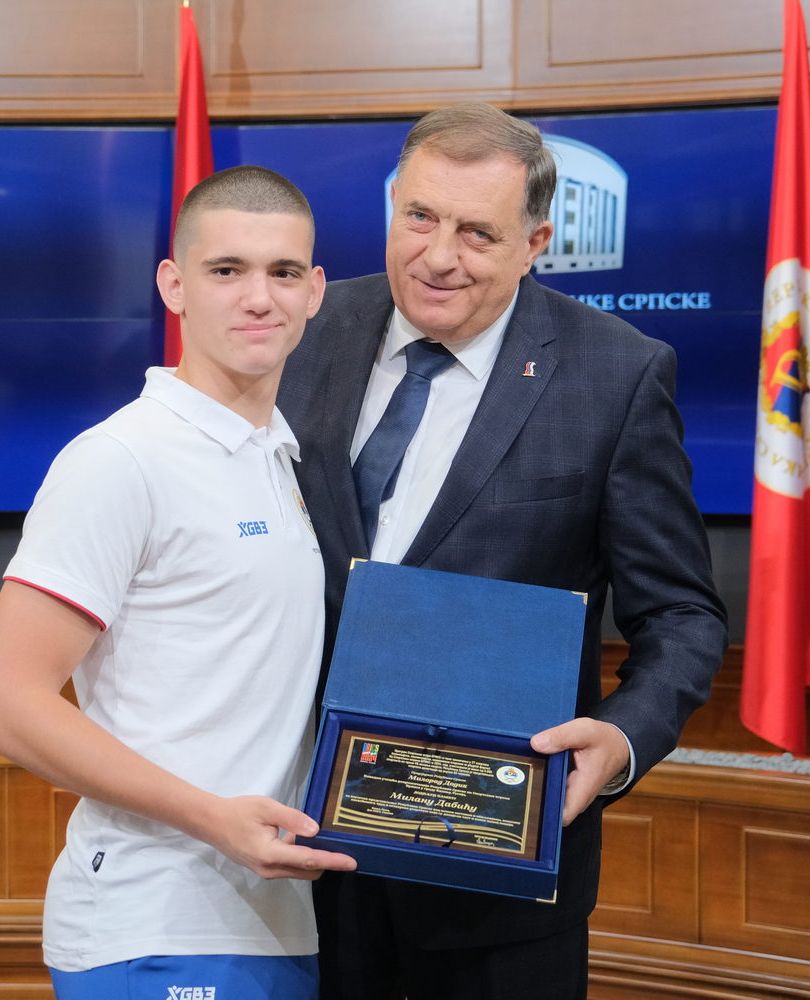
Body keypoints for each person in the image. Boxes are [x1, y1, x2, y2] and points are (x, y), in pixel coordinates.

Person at [276, 103, 728, 999]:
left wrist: (622, 739)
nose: (438, 256)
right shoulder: (305, 327)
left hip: (495, 877)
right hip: (294, 852)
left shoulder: (616, 374)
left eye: (478, 233)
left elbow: (682, 614)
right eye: (420, 217)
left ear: (535, 245)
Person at [0, 164, 357, 1000]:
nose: (260, 297)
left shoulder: (283, 459)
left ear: (316, 291)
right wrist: (214, 818)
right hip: (153, 924)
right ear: (174, 285)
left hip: (272, 919)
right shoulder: (120, 461)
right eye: (227, 270)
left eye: (284, 272)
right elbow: (3, 705)